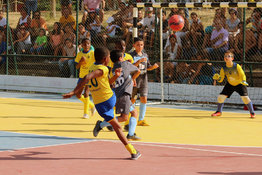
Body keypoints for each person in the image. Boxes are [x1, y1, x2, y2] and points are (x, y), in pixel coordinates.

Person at [63, 47, 141, 160]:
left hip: (101, 103)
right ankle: (131, 149)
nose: (109, 59)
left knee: (119, 124)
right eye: (108, 57)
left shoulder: (92, 67)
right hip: (108, 100)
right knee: (120, 121)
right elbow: (87, 77)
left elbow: (105, 82)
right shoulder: (102, 69)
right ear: (105, 59)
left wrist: (116, 76)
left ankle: (133, 151)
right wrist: (74, 92)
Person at [99, 50, 141, 140]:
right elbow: (138, 71)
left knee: (134, 113)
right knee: (124, 118)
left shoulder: (114, 68)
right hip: (124, 94)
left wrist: (129, 78)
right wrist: (133, 79)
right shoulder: (125, 64)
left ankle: (131, 134)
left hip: (119, 93)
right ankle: (101, 124)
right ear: (120, 58)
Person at [212, 51, 255, 118]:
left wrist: (244, 81)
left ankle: (252, 113)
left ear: (232, 58)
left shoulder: (236, 66)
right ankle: (218, 112)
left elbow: (242, 74)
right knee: (220, 98)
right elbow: (221, 80)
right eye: (225, 56)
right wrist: (218, 78)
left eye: (228, 56)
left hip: (240, 84)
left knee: (245, 99)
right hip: (230, 84)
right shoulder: (223, 68)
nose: (226, 57)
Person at [130, 37, 159, 126]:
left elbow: (147, 67)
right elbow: (130, 67)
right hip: (134, 80)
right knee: (132, 101)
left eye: (141, 45)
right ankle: (130, 118)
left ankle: (141, 120)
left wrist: (152, 67)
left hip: (143, 80)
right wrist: (138, 61)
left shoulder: (145, 55)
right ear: (134, 45)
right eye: (138, 45)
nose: (140, 46)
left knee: (144, 99)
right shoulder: (131, 55)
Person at [74, 38, 96, 119]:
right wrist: (81, 62)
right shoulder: (79, 54)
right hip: (81, 76)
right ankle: (91, 105)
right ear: (82, 45)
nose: (86, 45)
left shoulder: (93, 53)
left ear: (90, 45)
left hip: (89, 76)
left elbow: (98, 63)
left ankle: (86, 113)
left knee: (86, 93)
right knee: (78, 94)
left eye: (88, 44)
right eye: (84, 44)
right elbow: (76, 67)